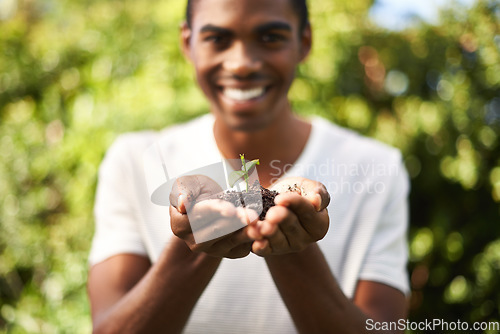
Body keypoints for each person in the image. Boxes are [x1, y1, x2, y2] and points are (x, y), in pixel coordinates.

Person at [87, 0, 410, 333]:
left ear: (305, 42)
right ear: (188, 43)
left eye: (270, 37)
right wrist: (195, 247)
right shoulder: (137, 161)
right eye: (218, 38)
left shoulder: (376, 169)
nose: (241, 64)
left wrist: (289, 246)